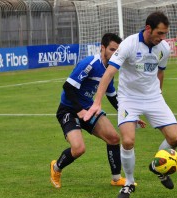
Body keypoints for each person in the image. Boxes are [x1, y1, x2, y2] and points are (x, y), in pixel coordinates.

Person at [84, 11, 177, 198]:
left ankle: (156, 165)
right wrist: (97, 101)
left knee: (175, 138)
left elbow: (160, 73)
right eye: (160, 33)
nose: (163, 38)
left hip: (154, 98)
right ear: (148, 29)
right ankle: (129, 183)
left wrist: (159, 97)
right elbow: (109, 73)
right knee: (127, 141)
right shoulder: (129, 44)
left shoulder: (163, 49)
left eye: (164, 34)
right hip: (129, 99)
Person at [50, 33, 145, 189]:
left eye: (117, 50)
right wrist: (79, 110)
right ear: (103, 48)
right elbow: (68, 87)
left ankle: (116, 179)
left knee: (114, 138)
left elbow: (113, 97)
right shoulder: (90, 63)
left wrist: (130, 116)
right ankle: (56, 168)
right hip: (69, 109)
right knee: (79, 149)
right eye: (112, 49)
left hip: (89, 109)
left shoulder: (110, 69)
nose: (115, 53)